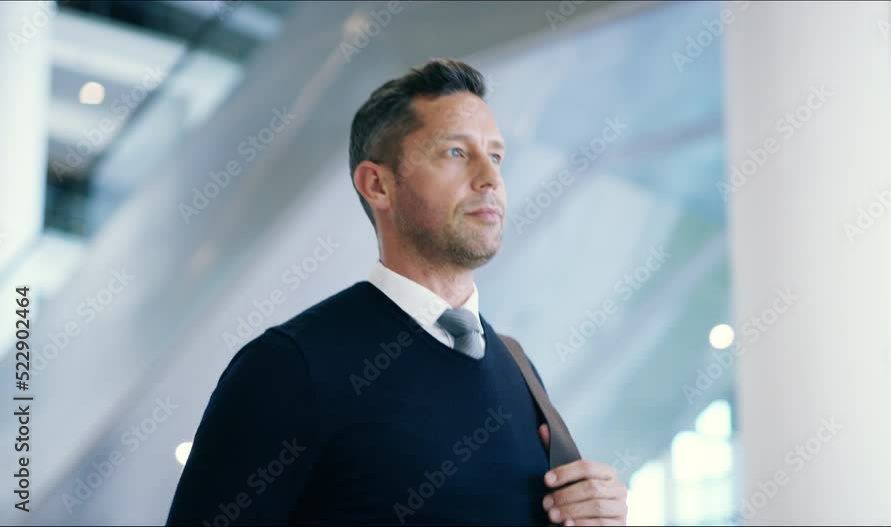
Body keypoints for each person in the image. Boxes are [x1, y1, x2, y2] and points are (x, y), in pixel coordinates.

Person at [165, 58, 628, 526]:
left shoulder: (519, 370)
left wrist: (593, 511)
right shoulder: (290, 367)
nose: (490, 178)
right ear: (378, 185)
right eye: (455, 153)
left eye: (496, 155)